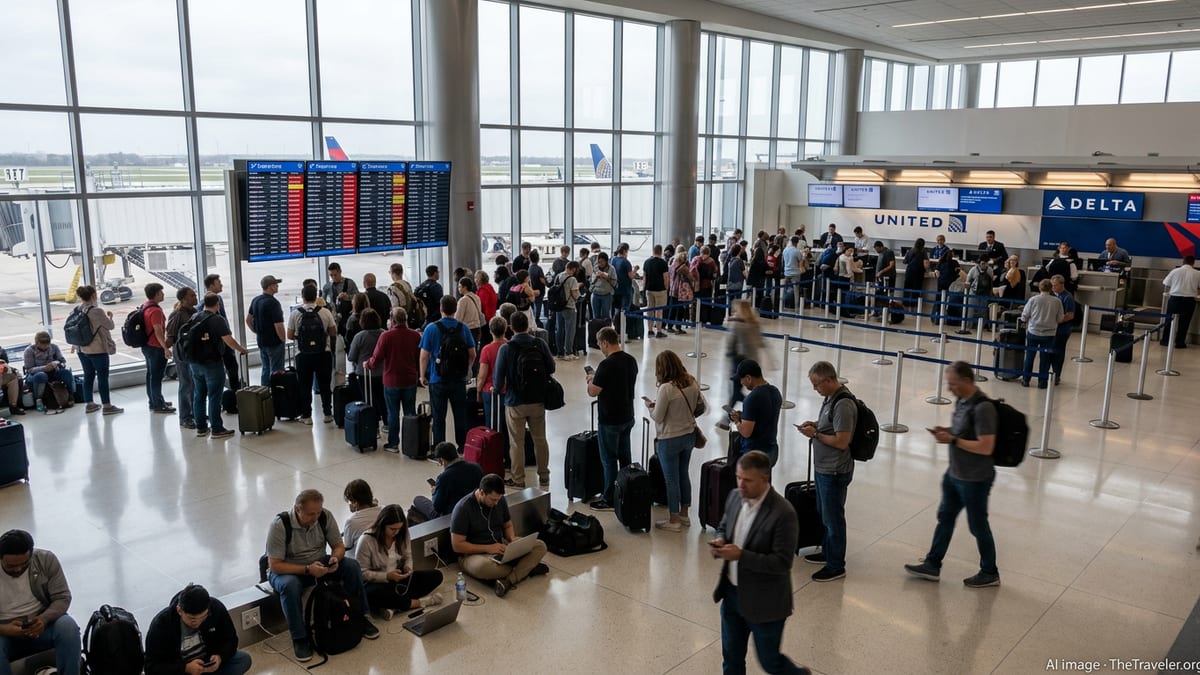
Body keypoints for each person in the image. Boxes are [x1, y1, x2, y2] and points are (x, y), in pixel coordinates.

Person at [709, 452, 809, 675]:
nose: (741, 485)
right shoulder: (735, 496)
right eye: (738, 477)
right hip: (732, 595)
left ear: (765, 479)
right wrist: (721, 539)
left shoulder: (784, 513)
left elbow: (782, 563)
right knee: (731, 657)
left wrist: (741, 556)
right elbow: (724, 525)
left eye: (748, 480)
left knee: (770, 662)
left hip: (766, 602)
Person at [905, 361, 1000, 589]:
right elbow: (963, 432)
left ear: (967, 381)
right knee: (945, 518)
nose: (949, 389)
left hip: (975, 479)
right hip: (955, 474)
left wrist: (953, 440)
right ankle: (932, 564)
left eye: (953, 384)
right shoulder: (962, 401)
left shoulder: (983, 408)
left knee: (978, 526)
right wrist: (947, 432)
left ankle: (990, 572)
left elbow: (986, 446)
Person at [266, 489, 379, 661]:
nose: (315, 518)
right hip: (288, 569)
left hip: (318, 562)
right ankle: (299, 637)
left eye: (318, 512)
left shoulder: (325, 516)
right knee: (290, 586)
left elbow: (338, 546)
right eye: (311, 514)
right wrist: (307, 569)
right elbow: (275, 565)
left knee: (352, 566)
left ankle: (360, 616)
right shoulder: (280, 525)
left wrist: (335, 559)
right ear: (297, 509)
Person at [796, 361, 855, 583]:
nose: (815, 389)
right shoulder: (830, 398)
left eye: (817, 385)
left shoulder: (843, 404)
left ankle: (836, 565)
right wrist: (815, 424)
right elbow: (829, 424)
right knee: (824, 513)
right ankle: (828, 551)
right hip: (824, 468)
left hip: (834, 470)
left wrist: (815, 434)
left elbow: (842, 441)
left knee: (833, 518)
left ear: (829, 380)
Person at [450, 474, 549, 598]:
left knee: (540, 546)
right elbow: (457, 545)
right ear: (481, 492)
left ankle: (508, 580)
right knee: (482, 567)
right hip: (474, 555)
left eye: (498, 499)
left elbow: (507, 525)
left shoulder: (500, 500)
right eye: (493, 500)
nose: (496, 503)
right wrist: (488, 548)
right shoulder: (463, 508)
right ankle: (525, 569)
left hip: (500, 547)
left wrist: (512, 538)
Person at [0, 530, 80, 675]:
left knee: (68, 627)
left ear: (31, 554)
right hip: (4, 632)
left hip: (42, 624)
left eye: (24, 564)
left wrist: (43, 619)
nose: (18, 569)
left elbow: (62, 597)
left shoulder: (45, 560)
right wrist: (4, 629)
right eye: (10, 566)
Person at [644, 350, 704, 532]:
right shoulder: (692, 381)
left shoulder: (666, 388)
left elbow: (658, 417)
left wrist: (650, 407)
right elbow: (698, 406)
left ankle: (674, 519)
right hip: (689, 435)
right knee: (683, 473)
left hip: (669, 438)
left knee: (671, 480)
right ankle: (684, 514)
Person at [493, 311, 554, 489]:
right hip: (537, 399)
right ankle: (544, 475)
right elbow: (551, 367)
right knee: (540, 439)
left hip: (515, 401)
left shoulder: (506, 349)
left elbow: (498, 380)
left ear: (511, 327)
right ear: (527, 325)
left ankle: (518, 479)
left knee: (516, 442)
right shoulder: (539, 344)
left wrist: (497, 390)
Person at [354, 505, 444, 617]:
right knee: (372, 594)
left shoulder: (402, 533)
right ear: (382, 525)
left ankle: (394, 606)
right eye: (392, 529)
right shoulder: (366, 540)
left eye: (399, 529)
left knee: (436, 576)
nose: (396, 532)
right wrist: (387, 576)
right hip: (377, 582)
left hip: (398, 577)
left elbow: (408, 556)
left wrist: (408, 567)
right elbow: (362, 573)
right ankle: (419, 602)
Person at [144, 583, 251, 675]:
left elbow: (231, 640)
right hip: (181, 668)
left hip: (207, 663)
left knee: (243, 660)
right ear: (179, 610)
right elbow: (151, 667)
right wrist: (185, 668)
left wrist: (220, 657)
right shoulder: (162, 624)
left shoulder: (216, 608)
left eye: (203, 617)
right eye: (192, 618)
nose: (197, 622)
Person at [586, 326, 637, 511]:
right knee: (625, 457)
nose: (600, 348)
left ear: (605, 343)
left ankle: (608, 498)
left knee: (608, 460)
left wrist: (590, 380)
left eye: (599, 344)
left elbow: (593, 392)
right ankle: (626, 491)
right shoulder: (631, 360)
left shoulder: (606, 365)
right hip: (627, 415)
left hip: (609, 419)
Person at [419, 296, 477, 449]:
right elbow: (472, 353)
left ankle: (440, 448)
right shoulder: (463, 328)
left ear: (441, 309)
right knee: (460, 414)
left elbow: (424, 356)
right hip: (458, 379)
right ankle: (462, 446)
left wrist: (422, 375)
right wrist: (467, 369)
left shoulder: (431, 328)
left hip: (437, 378)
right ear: (455, 309)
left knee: (438, 416)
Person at [189, 293, 249, 439]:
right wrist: (241, 349)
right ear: (217, 304)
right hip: (212, 363)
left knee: (199, 395)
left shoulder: (194, 317)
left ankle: (201, 427)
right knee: (214, 396)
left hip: (195, 363)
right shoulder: (217, 319)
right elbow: (228, 340)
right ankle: (216, 428)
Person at [365, 308, 421, 451]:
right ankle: (411, 445)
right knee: (410, 412)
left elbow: (377, 357)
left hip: (391, 380)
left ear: (393, 320)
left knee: (393, 413)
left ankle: (393, 443)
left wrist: (368, 364)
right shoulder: (415, 335)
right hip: (410, 379)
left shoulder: (386, 336)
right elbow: (419, 358)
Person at [287, 285, 338, 425]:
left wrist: (301, 337)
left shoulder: (296, 313)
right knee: (325, 385)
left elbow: (289, 335)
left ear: (302, 296)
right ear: (316, 296)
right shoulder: (325, 312)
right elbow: (333, 332)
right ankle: (327, 414)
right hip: (323, 353)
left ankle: (307, 416)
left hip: (302, 354)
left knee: (304, 386)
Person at [412, 442, 484, 521]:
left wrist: (434, 492)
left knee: (418, 499)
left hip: (451, 516)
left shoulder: (444, 478)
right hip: (474, 510)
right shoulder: (476, 467)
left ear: (442, 460)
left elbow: (437, 507)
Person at [729, 360, 782, 466]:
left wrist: (737, 421)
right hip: (771, 450)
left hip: (754, 454)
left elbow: (746, 432)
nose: (741, 383)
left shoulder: (752, 398)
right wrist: (745, 416)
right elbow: (764, 416)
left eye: (742, 379)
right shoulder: (775, 392)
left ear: (748, 378)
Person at [1019, 279, 1063, 389]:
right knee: (1045, 359)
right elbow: (1060, 319)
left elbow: (1024, 316)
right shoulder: (1057, 301)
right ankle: (1042, 382)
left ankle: (1026, 380)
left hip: (1033, 332)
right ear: (1051, 288)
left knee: (1029, 356)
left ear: (1040, 288)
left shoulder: (1033, 299)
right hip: (1049, 334)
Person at [165, 287, 198, 428]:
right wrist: (165, 349)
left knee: (195, 384)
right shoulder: (177, 314)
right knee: (186, 384)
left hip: (194, 353)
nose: (195, 297)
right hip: (182, 355)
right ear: (183, 299)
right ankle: (185, 417)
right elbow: (170, 336)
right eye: (192, 296)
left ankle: (195, 412)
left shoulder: (194, 312)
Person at [723, 300, 764, 413]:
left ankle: (728, 416)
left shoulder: (737, 323)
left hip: (739, 361)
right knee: (738, 390)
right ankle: (728, 415)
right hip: (753, 361)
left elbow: (731, 342)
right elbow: (760, 342)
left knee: (736, 391)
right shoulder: (754, 322)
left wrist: (728, 353)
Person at [322, 263, 359, 388]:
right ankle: (337, 380)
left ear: (340, 272)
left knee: (350, 349)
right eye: (331, 275)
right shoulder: (327, 287)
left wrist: (348, 297)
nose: (333, 277)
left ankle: (354, 376)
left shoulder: (349, 283)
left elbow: (358, 297)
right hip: (334, 323)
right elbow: (323, 302)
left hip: (347, 322)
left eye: (335, 275)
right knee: (336, 353)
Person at [141, 283, 176, 413]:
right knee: (156, 377)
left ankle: (154, 400)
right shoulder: (156, 311)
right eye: (161, 292)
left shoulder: (145, 306)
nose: (163, 294)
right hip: (156, 347)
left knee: (150, 375)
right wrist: (165, 348)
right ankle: (158, 404)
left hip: (147, 346)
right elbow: (158, 331)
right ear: (156, 294)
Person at [246, 275, 287, 385]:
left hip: (261, 341)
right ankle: (276, 392)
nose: (277, 286)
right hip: (274, 342)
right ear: (270, 287)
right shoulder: (273, 303)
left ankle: (264, 392)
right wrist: (283, 339)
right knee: (277, 371)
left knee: (266, 368)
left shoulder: (256, 300)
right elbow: (278, 325)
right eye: (275, 284)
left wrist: (257, 331)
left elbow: (248, 320)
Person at [204, 274, 241, 392]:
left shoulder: (212, 300)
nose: (221, 284)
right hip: (221, 342)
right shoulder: (213, 300)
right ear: (211, 286)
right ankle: (235, 392)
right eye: (218, 283)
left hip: (219, 341)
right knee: (231, 366)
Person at [22, 332, 73, 410]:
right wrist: (44, 368)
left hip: (53, 371)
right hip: (36, 374)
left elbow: (62, 361)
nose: (45, 346)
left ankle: (70, 394)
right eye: (43, 344)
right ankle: (38, 400)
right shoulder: (29, 351)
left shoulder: (54, 347)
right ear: (37, 343)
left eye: (47, 344)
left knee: (66, 373)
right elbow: (29, 369)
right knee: (41, 375)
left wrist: (57, 363)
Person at [1160, 255, 1200, 349]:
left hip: (1175, 299)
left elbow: (1166, 283)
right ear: (1193, 263)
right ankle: (1180, 342)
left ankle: (1166, 340)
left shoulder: (1175, 271)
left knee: (1169, 320)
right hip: (1189, 300)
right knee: (1184, 322)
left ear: (1183, 262)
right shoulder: (1198, 273)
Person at [1049, 275, 1076, 384]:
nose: (1053, 287)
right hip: (1052, 329)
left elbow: (1070, 315)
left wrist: (1057, 320)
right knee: (1050, 351)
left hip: (1062, 330)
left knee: (1058, 352)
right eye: (1052, 285)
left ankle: (1057, 374)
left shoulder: (1067, 297)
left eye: (1055, 285)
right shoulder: (1052, 295)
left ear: (1062, 284)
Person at [552, 261, 582, 359]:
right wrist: (580, 297)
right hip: (569, 306)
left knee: (559, 329)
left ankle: (560, 352)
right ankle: (569, 353)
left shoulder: (558, 276)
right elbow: (574, 294)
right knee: (570, 330)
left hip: (558, 306)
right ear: (573, 269)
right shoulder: (572, 279)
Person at [341, 479, 381, 551]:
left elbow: (347, 545)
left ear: (355, 503)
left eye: (349, 501)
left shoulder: (351, 521)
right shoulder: (384, 510)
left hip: (361, 555)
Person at [643, 245, 670, 338]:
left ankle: (650, 330)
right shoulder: (663, 263)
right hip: (660, 290)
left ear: (653, 251)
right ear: (661, 252)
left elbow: (644, 277)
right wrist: (666, 288)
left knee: (649, 310)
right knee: (659, 311)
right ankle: (659, 331)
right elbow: (665, 277)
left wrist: (644, 288)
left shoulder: (647, 262)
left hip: (649, 289)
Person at [454, 277, 485, 352]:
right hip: (477, 328)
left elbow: (458, 318)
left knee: (467, 352)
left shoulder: (463, 300)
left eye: (460, 286)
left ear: (465, 287)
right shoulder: (477, 297)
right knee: (474, 351)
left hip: (467, 329)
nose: (458, 289)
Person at [668, 251, 695, 335]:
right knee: (680, 310)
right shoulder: (683, 268)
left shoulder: (672, 265)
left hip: (673, 289)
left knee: (672, 309)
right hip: (680, 291)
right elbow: (691, 278)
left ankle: (670, 326)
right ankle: (678, 327)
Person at [611, 243, 635, 321]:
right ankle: (623, 325)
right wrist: (635, 270)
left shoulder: (613, 259)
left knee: (616, 308)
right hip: (625, 289)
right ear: (625, 251)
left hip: (615, 288)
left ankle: (616, 324)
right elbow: (631, 276)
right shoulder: (626, 262)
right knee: (625, 309)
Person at [873, 241, 897, 317]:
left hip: (887, 277)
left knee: (885, 294)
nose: (876, 251)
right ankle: (878, 310)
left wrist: (881, 272)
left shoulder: (888, 252)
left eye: (877, 249)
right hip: (881, 278)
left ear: (880, 247)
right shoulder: (881, 253)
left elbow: (891, 265)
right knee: (879, 294)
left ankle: (884, 310)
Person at [590, 252, 615, 320]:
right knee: (596, 316)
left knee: (606, 316)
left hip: (606, 294)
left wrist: (607, 277)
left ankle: (606, 326)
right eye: (599, 262)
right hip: (595, 293)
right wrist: (596, 276)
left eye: (602, 262)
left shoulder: (611, 269)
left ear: (606, 261)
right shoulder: (595, 268)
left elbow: (614, 282)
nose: (600, 264)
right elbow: (592, 282)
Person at [781, 237, 804, 310]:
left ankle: (782, 306)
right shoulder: (797, 251)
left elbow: (783, 261)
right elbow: (800, 262)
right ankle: (796, 307)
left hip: (787, 272)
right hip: (795, 273)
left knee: (784, 290)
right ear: (797, 243)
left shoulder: (785, 250)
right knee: (796, 291)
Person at [725, 245, 747, 319]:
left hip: (730, 282)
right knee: (738, 300)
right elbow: (744, 273)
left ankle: (729, 315)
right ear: (739, 251)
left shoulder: (730, 260)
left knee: (730, 300)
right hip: (738, 283)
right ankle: (737, 315)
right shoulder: (740, 261)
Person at [528, 250, 547, 326]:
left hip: (532, 289)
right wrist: (547, 283)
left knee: (533, 305)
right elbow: (542, 280)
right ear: (538, 259)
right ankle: (537, 320)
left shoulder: (529, 268)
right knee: (538, 305)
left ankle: (533, 319)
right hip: (539, 290)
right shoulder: (538, 268)